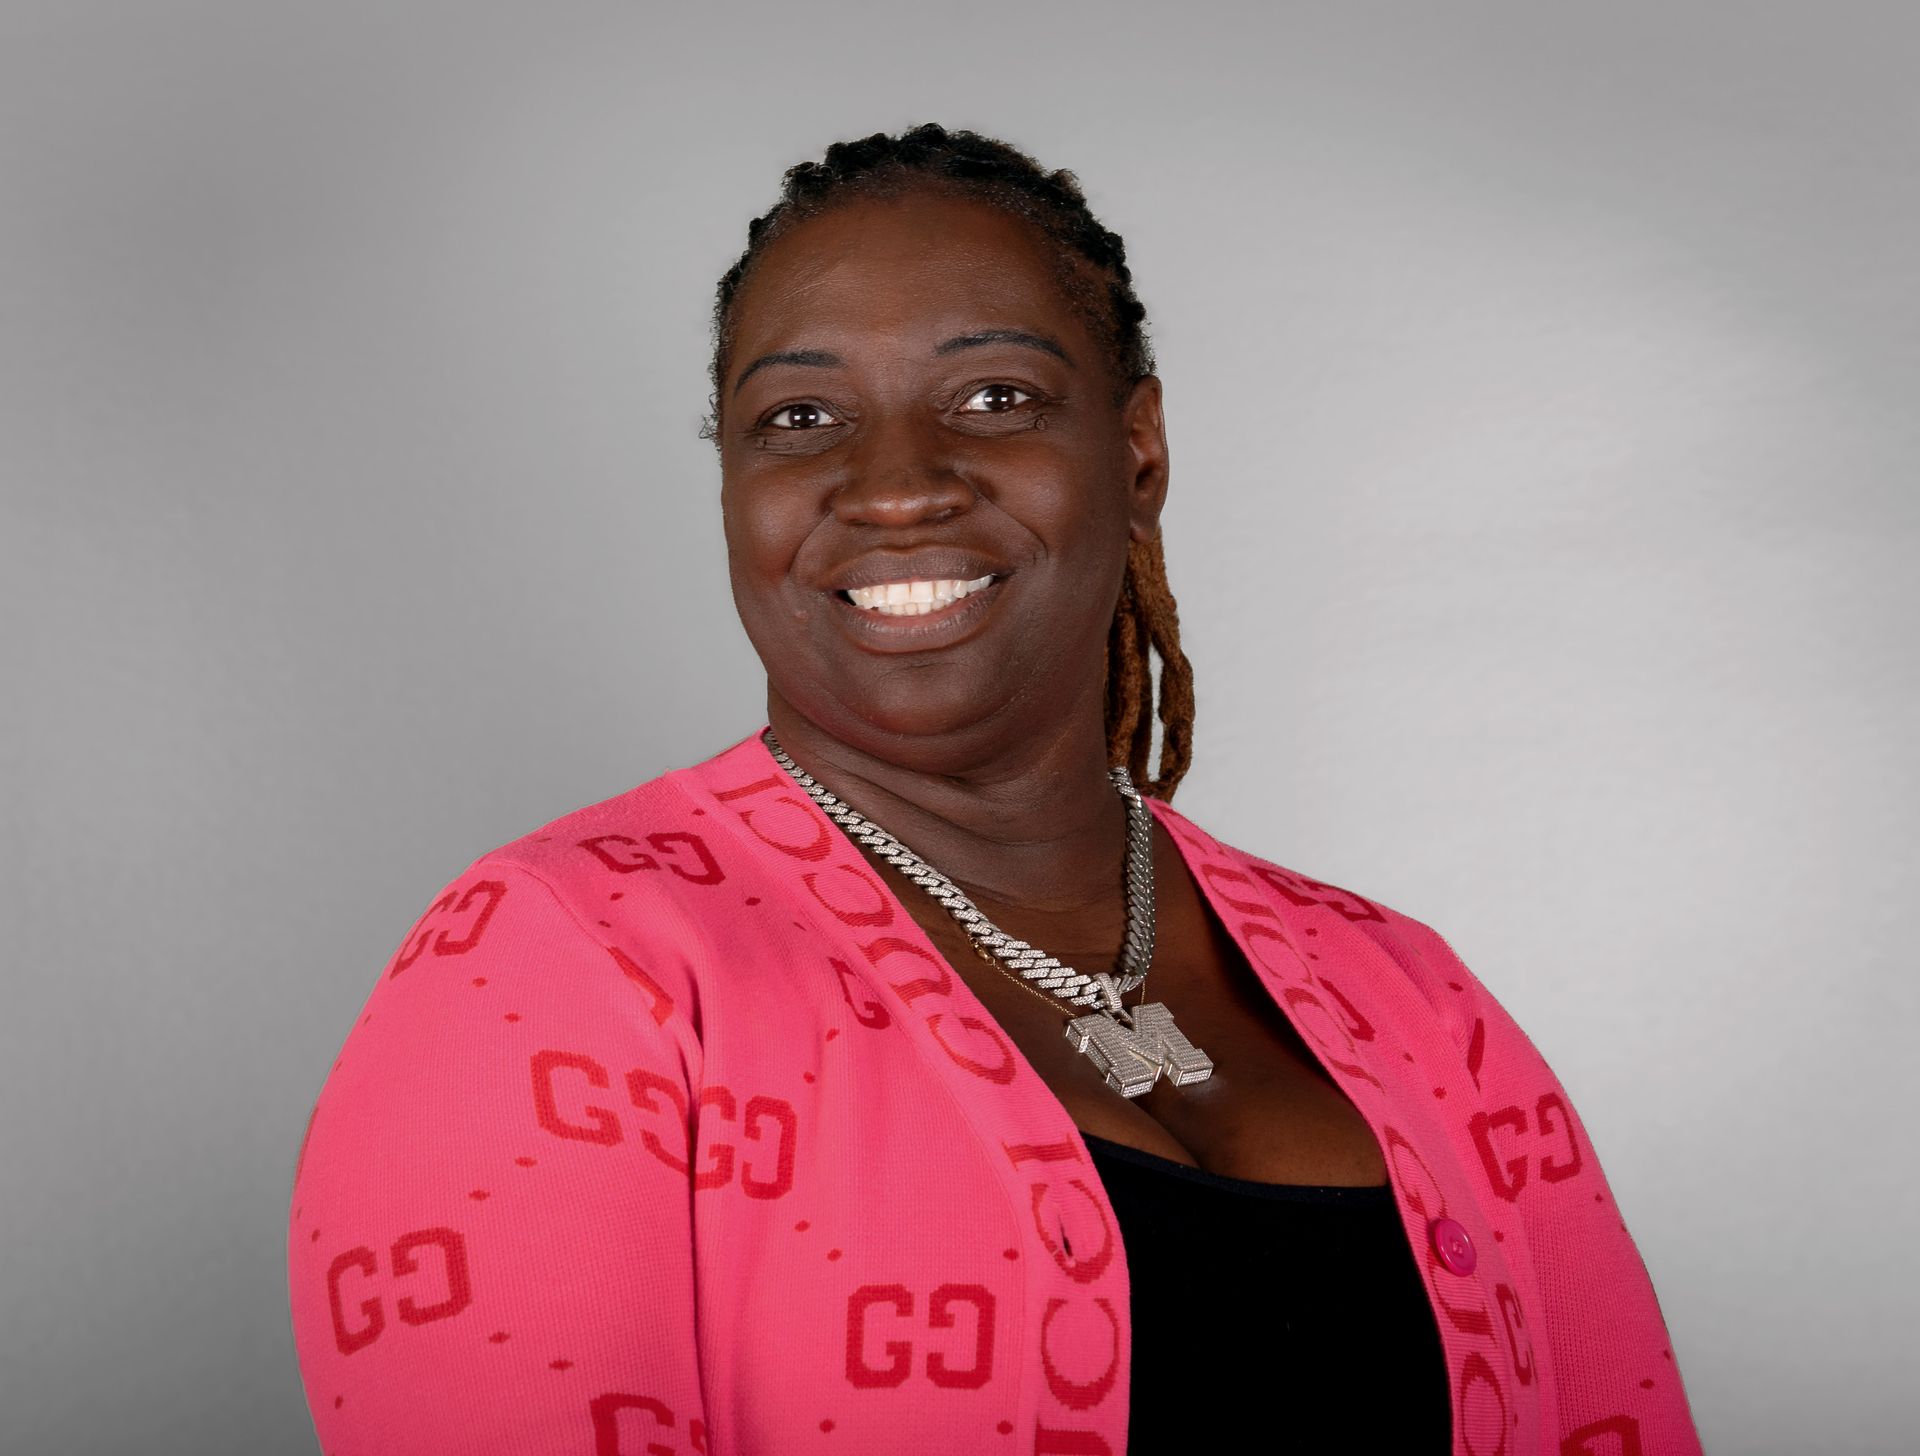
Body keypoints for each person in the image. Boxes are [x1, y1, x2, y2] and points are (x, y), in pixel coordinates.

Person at [286, 123, 1703, 1455]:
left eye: (995, 397)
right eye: (800, 416)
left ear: (1135, 452)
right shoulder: (562, 965)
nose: (896, 484)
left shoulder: (1407, 993)